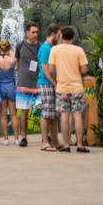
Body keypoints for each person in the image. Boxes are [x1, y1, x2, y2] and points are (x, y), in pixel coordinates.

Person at [47, 26, 89, 153]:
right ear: (73, 38)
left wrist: (57, 78)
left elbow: (50, 70)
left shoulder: (55, 50)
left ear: (61, 37)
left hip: (62, 87)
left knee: (64, 116)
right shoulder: (79, 50)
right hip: (76, 87)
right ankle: (80, 145)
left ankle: (66, 145)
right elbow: (84, 70)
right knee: (77, 115)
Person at [37, 23, 62, 151]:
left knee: (54, 113)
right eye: (58, 35)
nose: (59, 38)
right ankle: (45, 142)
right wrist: (55, 84)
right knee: (46, 112)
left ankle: (55, 141)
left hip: (51, 82)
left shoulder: (51, 48)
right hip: (46, 83)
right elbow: (46, 70)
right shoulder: (46, 48)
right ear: (52, 34)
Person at [15, 22, 40, 147]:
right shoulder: (20, 45)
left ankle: (46, 136)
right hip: (24, 83)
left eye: (37, 32)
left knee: (45, 109)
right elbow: (17, 62)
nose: (36, 34)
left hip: (39, 83)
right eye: (33, 32)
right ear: (27, 33)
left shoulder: (41, 46)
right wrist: (21, 75)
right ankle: (24, 137)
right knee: (24, 111)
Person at [0, 39, 19, 145]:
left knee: (3, 115)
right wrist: (10, 50)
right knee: (13, 114)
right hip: (11, 87)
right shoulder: (12, 60)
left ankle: (6, 139)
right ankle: (16, 139)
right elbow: (15, 59)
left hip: (1, 88)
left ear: (0, 48)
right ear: (8, 48)